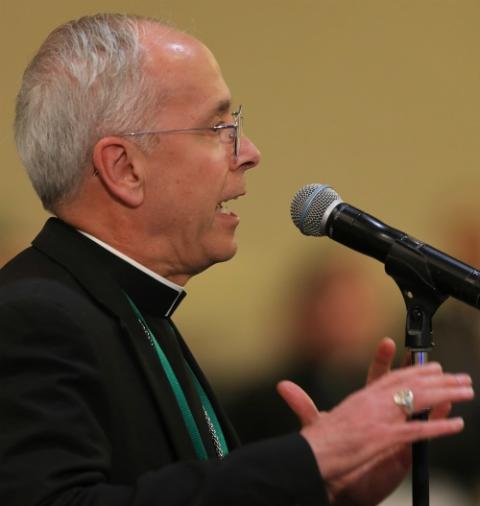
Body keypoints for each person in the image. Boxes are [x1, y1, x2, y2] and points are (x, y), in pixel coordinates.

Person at [0, 13, 473, 506]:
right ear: (124, 168)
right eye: (217, 126)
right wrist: (309, 458)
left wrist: (327, 489)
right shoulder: (32, 318)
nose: (248, 152)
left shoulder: (131, 305)